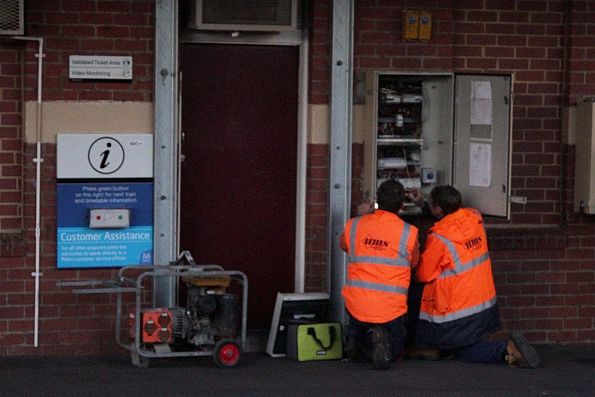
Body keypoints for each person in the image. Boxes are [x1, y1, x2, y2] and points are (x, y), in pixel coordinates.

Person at [410, 185, 539, 368]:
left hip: (456, 314)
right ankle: (505, 350)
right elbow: (450, 219)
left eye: (431, 203)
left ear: (438, 208)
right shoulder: (474, 218)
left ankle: (506, 351)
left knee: (461, 351)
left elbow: (423, 274)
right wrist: (423, 204)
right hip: (484, 307)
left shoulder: (440, 238)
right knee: (466, 343)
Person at [339, 180, 420, 369]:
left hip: (357, 303)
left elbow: (344, 245)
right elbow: (414, 262)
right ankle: (381, 340)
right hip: (391, 308)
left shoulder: (355, 225)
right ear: (401, 205)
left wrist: (361, 216)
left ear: (377, 200)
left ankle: (354, 340)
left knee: (359, 321)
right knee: (397, 350)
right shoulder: (409, 233)